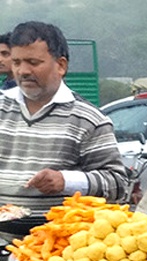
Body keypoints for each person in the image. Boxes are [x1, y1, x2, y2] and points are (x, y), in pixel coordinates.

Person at [0, 21, 128, 214]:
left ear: (61, 65)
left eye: (33, 63)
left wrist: (66, 181)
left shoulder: (88, 119)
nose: (23, 71)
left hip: (60, 239)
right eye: (17, 63)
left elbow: (117, 184)